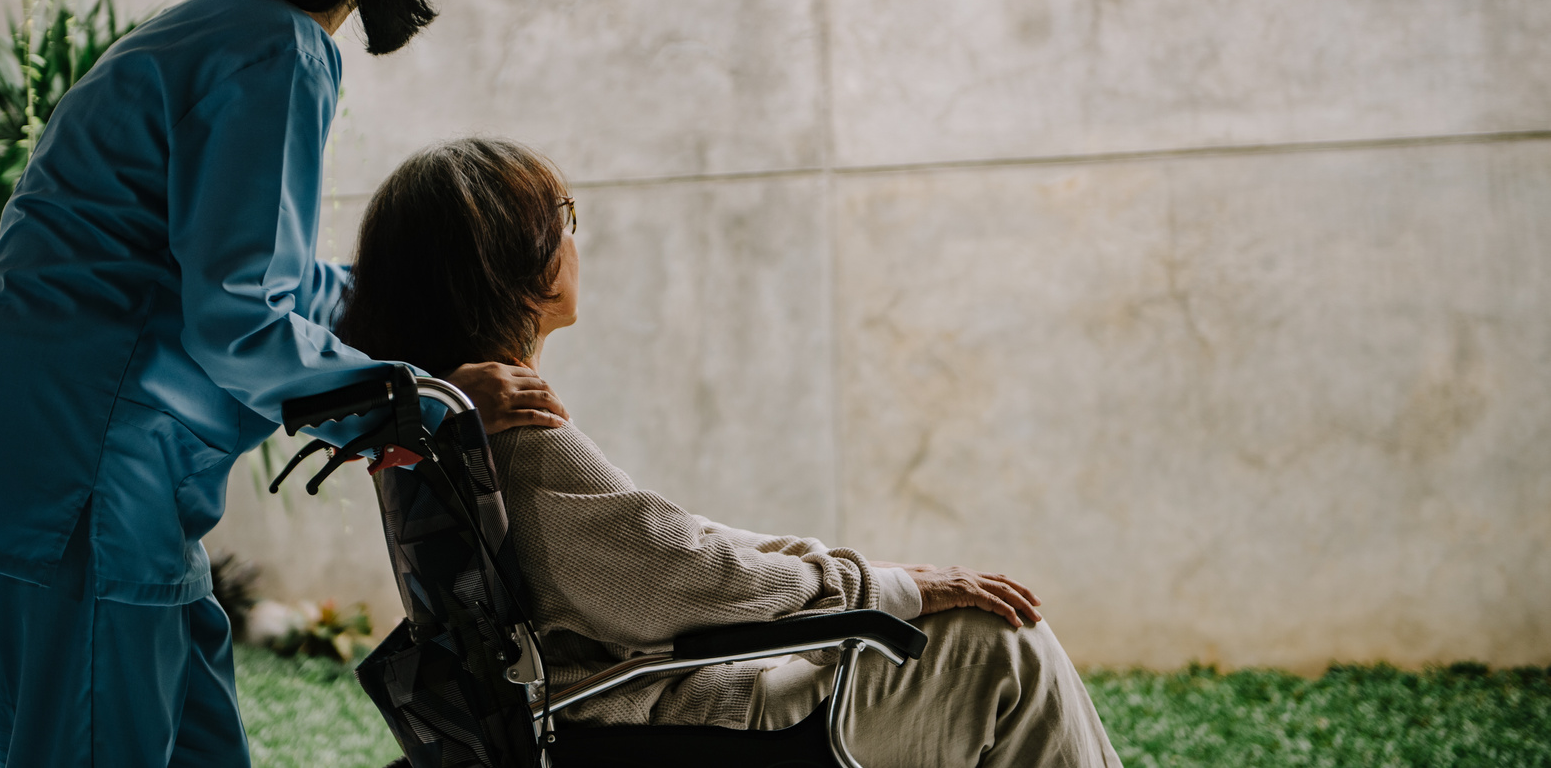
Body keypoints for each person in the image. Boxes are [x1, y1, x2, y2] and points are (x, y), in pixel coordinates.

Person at [0, 0, 568, 768]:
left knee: (195, 741)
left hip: (87, 451)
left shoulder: (215, 36)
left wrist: (423, 328)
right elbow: (238, 312)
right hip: (95, 461)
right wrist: (423, 403)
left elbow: (262, 280)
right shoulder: (272, 49)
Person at [341, 137, 1124, 768]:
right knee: (1001, 645)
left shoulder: (436, 426)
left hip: (624, 698)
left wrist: (864, 579)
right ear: (515, 267)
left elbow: (671, 553)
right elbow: (678, 576)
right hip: (659, 716)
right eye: (564, 214)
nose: (578, 236)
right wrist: (881, 586)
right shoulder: (514, 435)